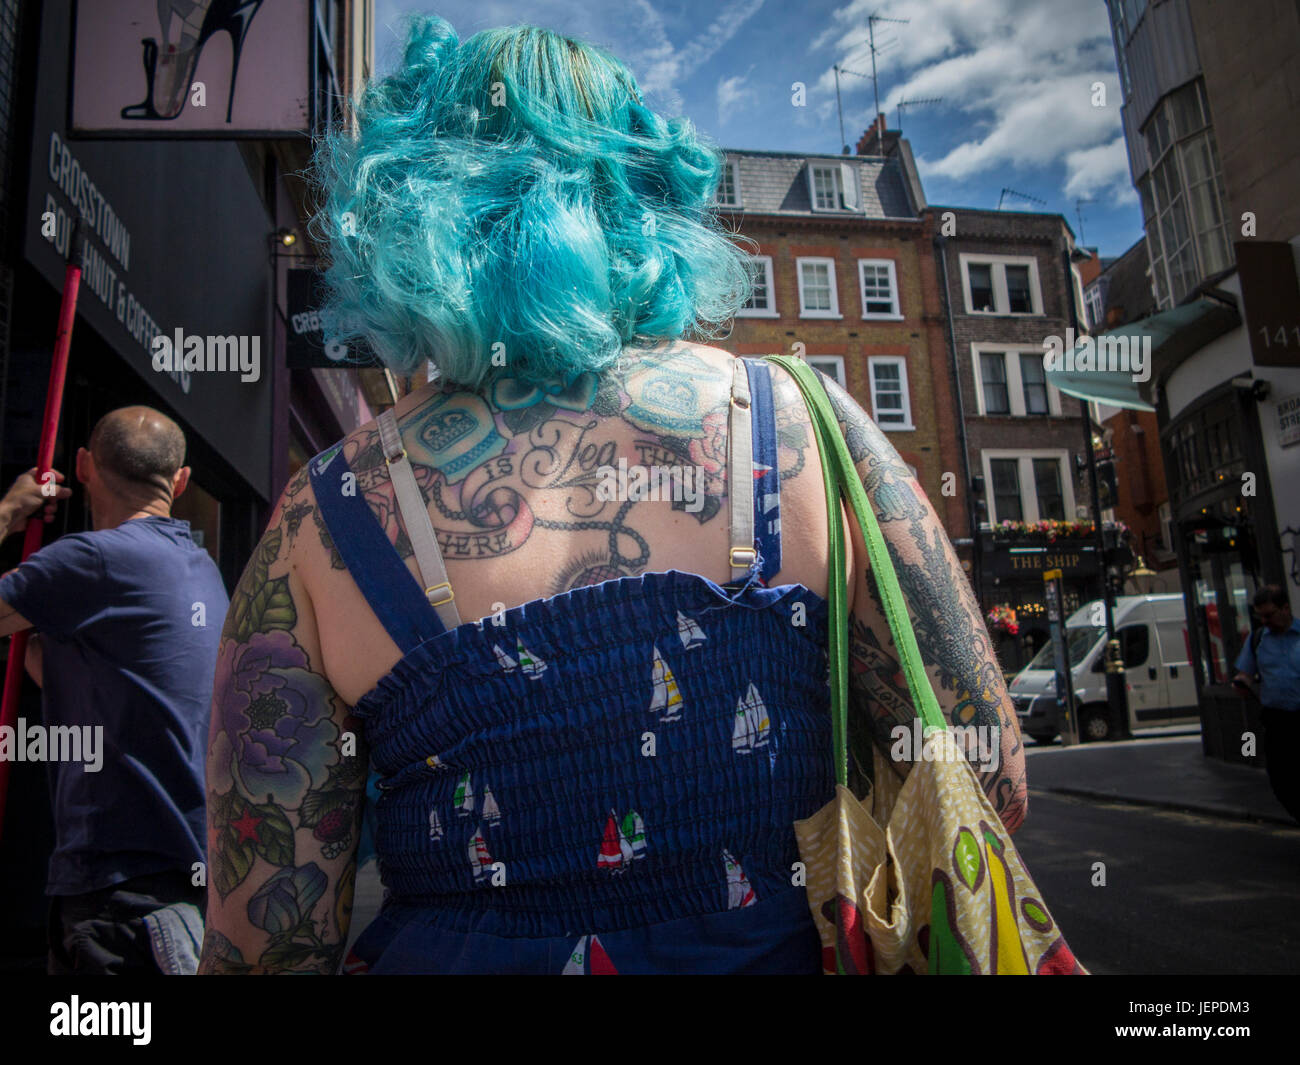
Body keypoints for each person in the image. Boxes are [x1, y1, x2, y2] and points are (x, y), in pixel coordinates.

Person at [198, 16, 1026, 976]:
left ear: (410, 209)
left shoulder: (325, 514)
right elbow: (989, 780)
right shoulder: (803, 425)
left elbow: (265, 943)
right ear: (648, 196)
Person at [0, 406, 228, 974]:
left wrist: (8, 510)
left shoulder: (93, 560)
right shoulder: (200, 567)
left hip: (116, 893)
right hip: (182, 880)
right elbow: (103, 681)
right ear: (181, 481)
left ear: (82, 465)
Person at [1233, 584, 1300, 823]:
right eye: (1260, 616)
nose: (1264, 620)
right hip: (1277, 721)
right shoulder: (1258, 639)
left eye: (1269, 614)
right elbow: (1246, 673)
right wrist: (1241, 682)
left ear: (1285, 608)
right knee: (1282, 782)